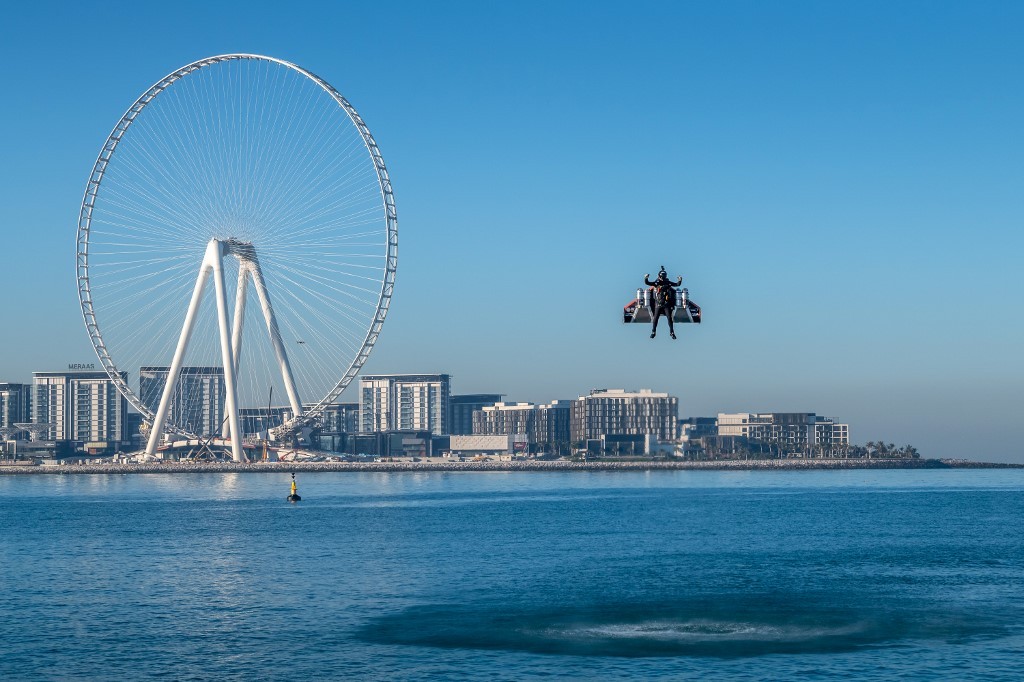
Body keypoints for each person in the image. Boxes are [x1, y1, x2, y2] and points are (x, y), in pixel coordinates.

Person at [644, 266, 683, 339]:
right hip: (658, 304)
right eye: (661, 277)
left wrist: (680, 280)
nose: (661, 279)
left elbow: (677, 284)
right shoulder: (657, 283)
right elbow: (647, 283)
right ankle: (653, 332)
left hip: (666, 304)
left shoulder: (668, 283)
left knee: (669, 318)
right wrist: (646, 278)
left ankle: (672, 332)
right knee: (655, 318)